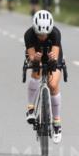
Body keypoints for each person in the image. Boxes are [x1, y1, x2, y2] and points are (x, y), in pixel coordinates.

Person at [24, 10, 63, 143]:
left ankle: (57, 123)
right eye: (39, 34)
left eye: (45, 34)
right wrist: (35, 58)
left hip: (52, 56)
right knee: (36, 70)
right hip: (36, 55)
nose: (42, 37)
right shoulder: (29, 34)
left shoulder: (55, 33)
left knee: (53, 85)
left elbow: (55, 55)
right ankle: (30, 109)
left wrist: (53, 58)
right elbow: (31, 57)